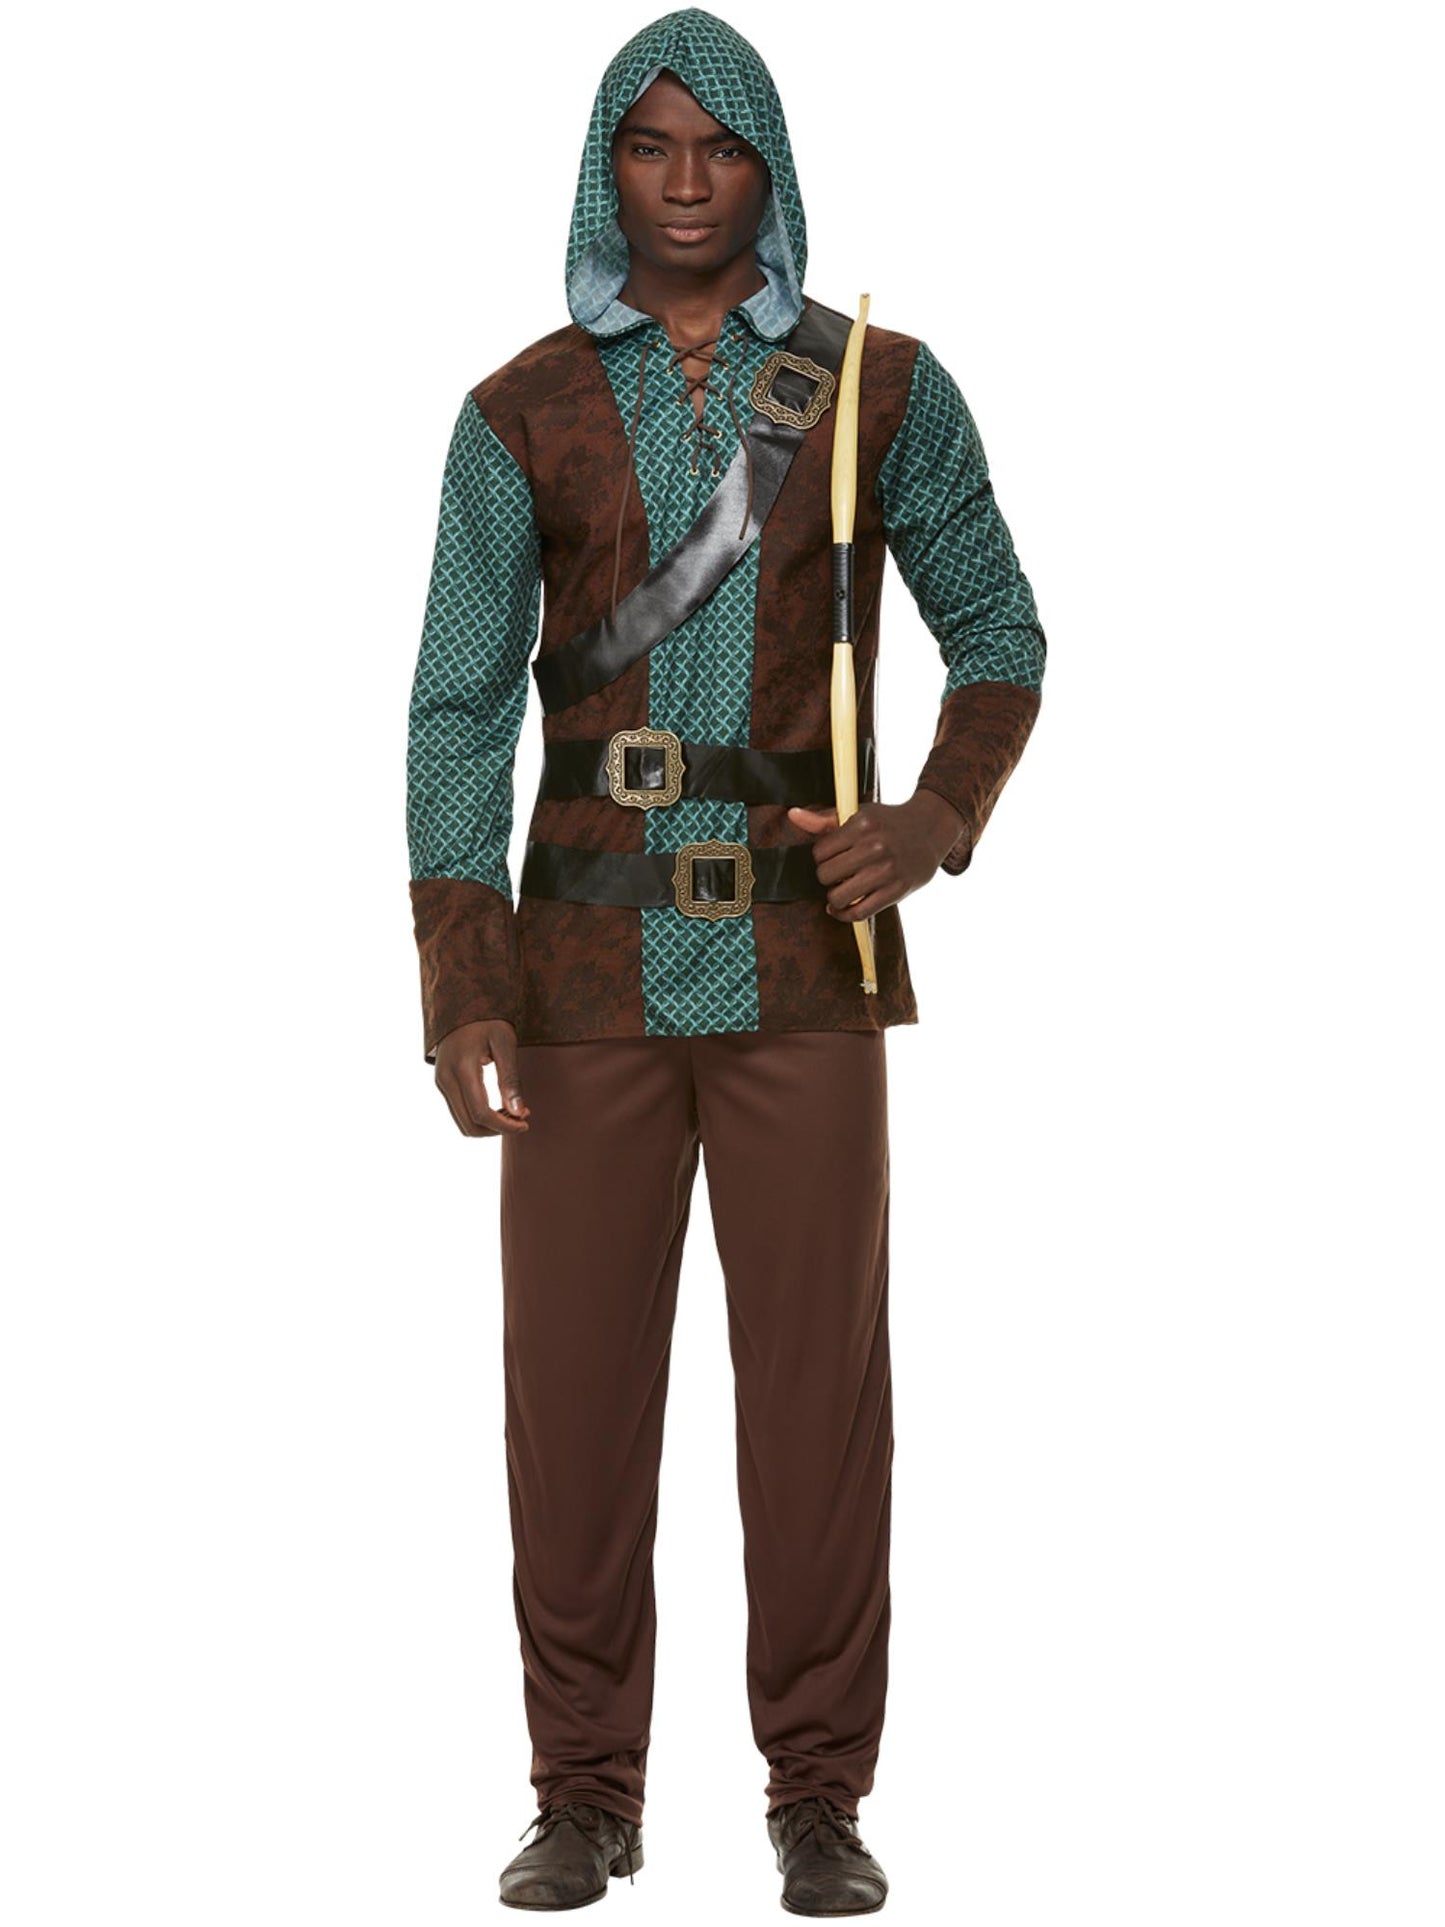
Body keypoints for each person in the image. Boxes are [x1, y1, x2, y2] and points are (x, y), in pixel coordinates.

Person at [405, 7, 1046, 1913]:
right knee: (573, 1403)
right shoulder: (513, 412)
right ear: (603, 168)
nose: (686, 185)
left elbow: (1001, 632)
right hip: (578, 978)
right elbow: (455, 711)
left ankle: (817, 1797)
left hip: (803, 966)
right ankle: (582, 1793)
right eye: (649, 147)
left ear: (772, 167)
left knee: (819, 1408)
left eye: (721, 148)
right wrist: (462, 980)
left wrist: (933, 820)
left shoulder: (879, 390)